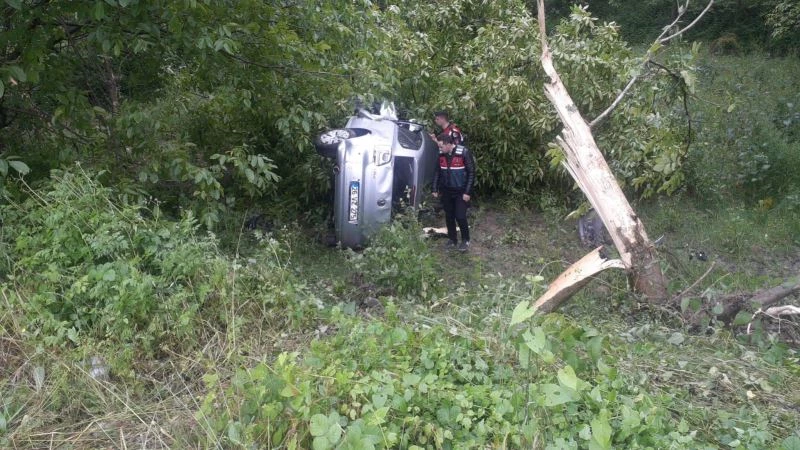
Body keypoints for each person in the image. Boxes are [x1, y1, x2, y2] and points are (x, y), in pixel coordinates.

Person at [432, 133, 475, 252]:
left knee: (460, 216)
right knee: (449, 216)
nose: (440, 149)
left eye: (441, 146)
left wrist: (467, 192)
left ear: (448, 144)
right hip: (446, 191)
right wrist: (434, 188)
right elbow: (437, 172)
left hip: (461, 191)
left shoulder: (464, 152)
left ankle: (465, 240)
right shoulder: (441, 154)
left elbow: (471, 173)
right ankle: (452, 239)